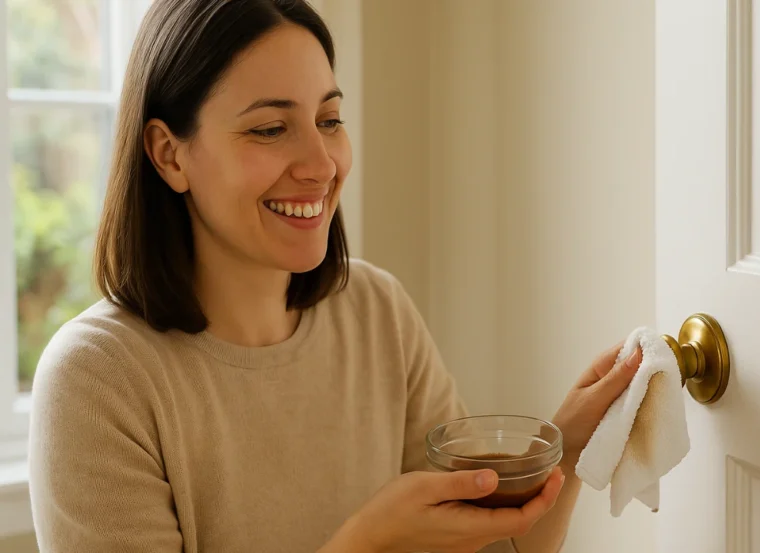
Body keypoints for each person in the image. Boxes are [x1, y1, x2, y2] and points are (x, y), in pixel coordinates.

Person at [27, 1, 643, 552]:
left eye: (328, 120)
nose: (322, 165)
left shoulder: (378, 311)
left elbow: (487, 549)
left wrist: (559, 449)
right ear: (169, 154)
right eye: (270, 128)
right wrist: (366, 542)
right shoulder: (95, 381)